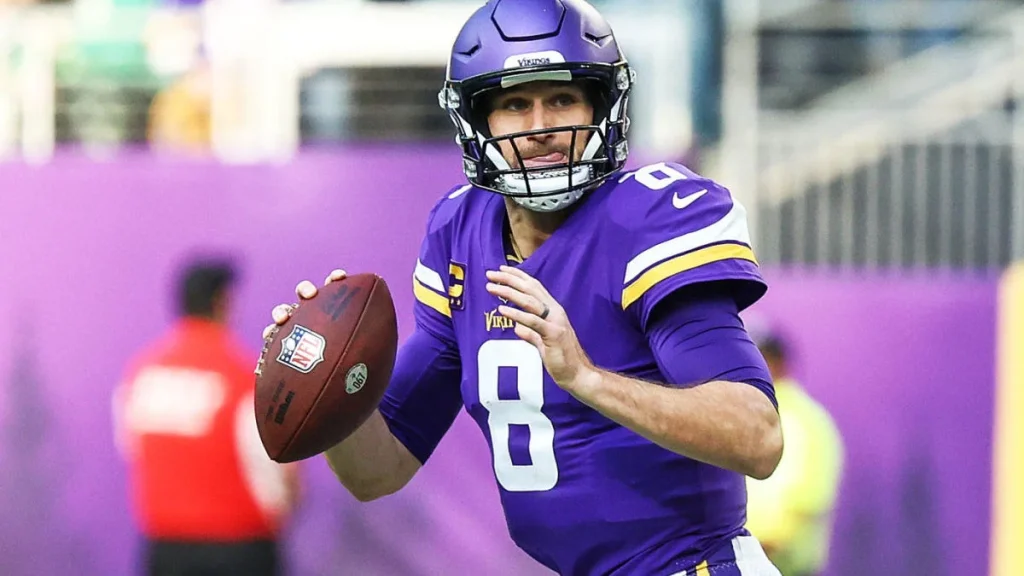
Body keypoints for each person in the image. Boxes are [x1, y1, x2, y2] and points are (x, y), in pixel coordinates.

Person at [264, 1, 782, 574]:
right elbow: (378, 471)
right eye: (515, 104)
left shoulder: (649, 219)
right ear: (476, 121)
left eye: (562, 98)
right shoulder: (458, 232)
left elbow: (756, 437)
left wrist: (585, 378)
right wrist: (336, 387)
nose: (542, 128)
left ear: (602, 106)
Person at [115, 259, 300, 576]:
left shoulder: (141, 375)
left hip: (166, 551)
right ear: (222, 302)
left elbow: (131, 447)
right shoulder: (244, 377)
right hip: (240, 551)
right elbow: (280, 474)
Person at [745, 327, 844, 576]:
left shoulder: (805, 419)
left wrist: (773, 542)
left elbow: (813, 494)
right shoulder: (740, 413)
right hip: (743, 557)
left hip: (785, 562)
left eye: (758, 357)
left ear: (778, 363)